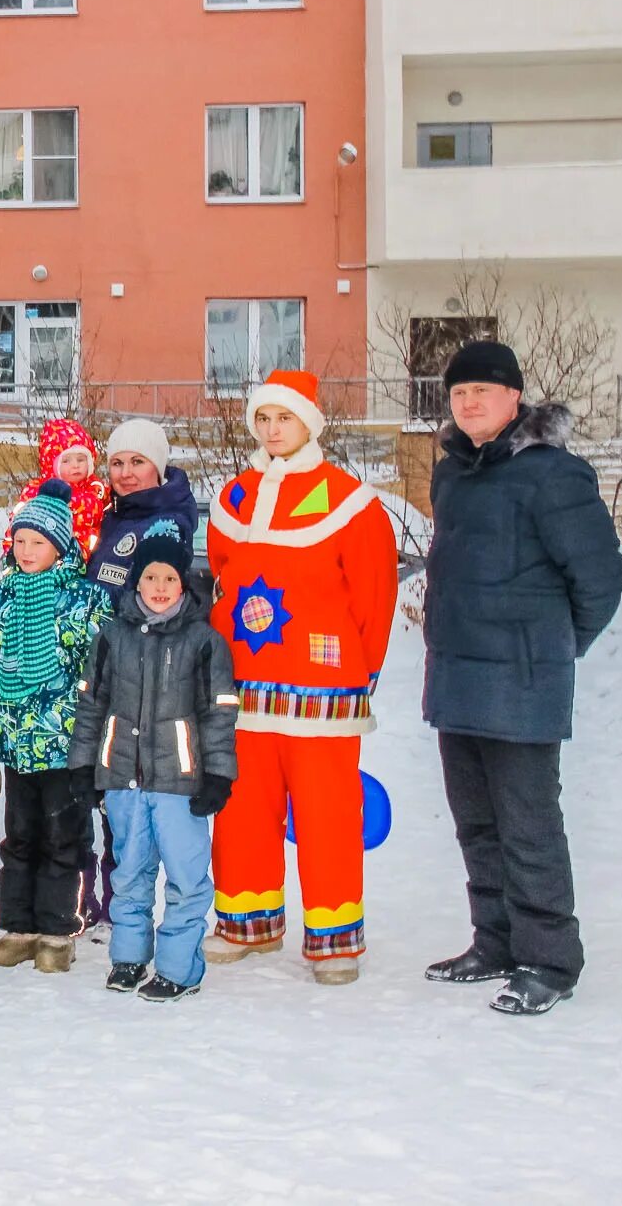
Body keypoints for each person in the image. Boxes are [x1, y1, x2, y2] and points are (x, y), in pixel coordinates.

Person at [422, 341, 622, 1016]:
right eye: (459, 392)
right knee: (476, 824)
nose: (469, 401)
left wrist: (556, 645)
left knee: (528, 825)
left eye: (483, 389)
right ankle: (496, 941)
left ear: (515, 399)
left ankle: (550, 957)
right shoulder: (453, 474)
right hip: (456, 678)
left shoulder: (551, 473)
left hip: (522, 683)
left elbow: (601, 577)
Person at [205, 370, 398, 986]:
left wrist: (362, 668)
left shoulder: (350, 500)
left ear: (309, 423)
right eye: (262, 419)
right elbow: (221, 574)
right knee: (241, 811)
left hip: (322, 687)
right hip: (243, 687)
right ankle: (247, 921)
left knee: (327, 814)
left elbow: (374, 591)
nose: (271, 430)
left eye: (282, 419)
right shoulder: (233, 499)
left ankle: (334, 937)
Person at [69, 521, 238, 1002]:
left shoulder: (204, 642)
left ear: (183, 583)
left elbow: (219, 713)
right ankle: (128, 958)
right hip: (123, 777)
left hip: (180, 783)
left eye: (169, 579)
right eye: (150, 578)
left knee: (186, 878)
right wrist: (84, 766)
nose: (159, 588)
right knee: (129, 873)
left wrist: (219, 773)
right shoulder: (111, 637)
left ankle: (178, 968)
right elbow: (91, 705)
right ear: (135, 581)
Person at [0, 480, 112, 974]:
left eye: (39, 542)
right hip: (17, 743)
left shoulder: (85, 598)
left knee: (64, 835)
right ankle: (19, 928)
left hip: (64, 743)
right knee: (19, 834)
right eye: (20, 540)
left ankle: (57, 931)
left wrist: (94, 740)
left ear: (60, 545)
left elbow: (99, 673)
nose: (27, 550)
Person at [84, 419, 202, 598]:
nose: (125, 473)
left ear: (157, 467)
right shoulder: (107, 515)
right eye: (117, 463)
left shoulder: (166, 526)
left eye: (137, 462)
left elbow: (153, 606)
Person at [4, 418, 108, 562]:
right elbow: (18, 523)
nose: (75, 466)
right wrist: (10, 550)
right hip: (44, 562)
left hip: (87, 563)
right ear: (52, 464)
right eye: (66, 461)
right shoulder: (37, 492)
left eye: (81, 459)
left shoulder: (97, 489)